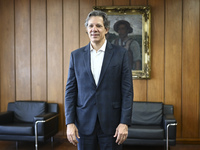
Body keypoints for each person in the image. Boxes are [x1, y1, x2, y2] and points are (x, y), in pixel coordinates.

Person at [65, 10, 133, 150]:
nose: (94, 29)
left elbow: (127, 92)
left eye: (98, 26)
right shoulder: (76, 56)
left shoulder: (121, 54)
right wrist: (70, 122)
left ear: (106, 29)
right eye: (90, 26)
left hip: (112, 125)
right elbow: (70, 92)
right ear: (87, 29)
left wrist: (124, 123)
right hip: (83, 125)